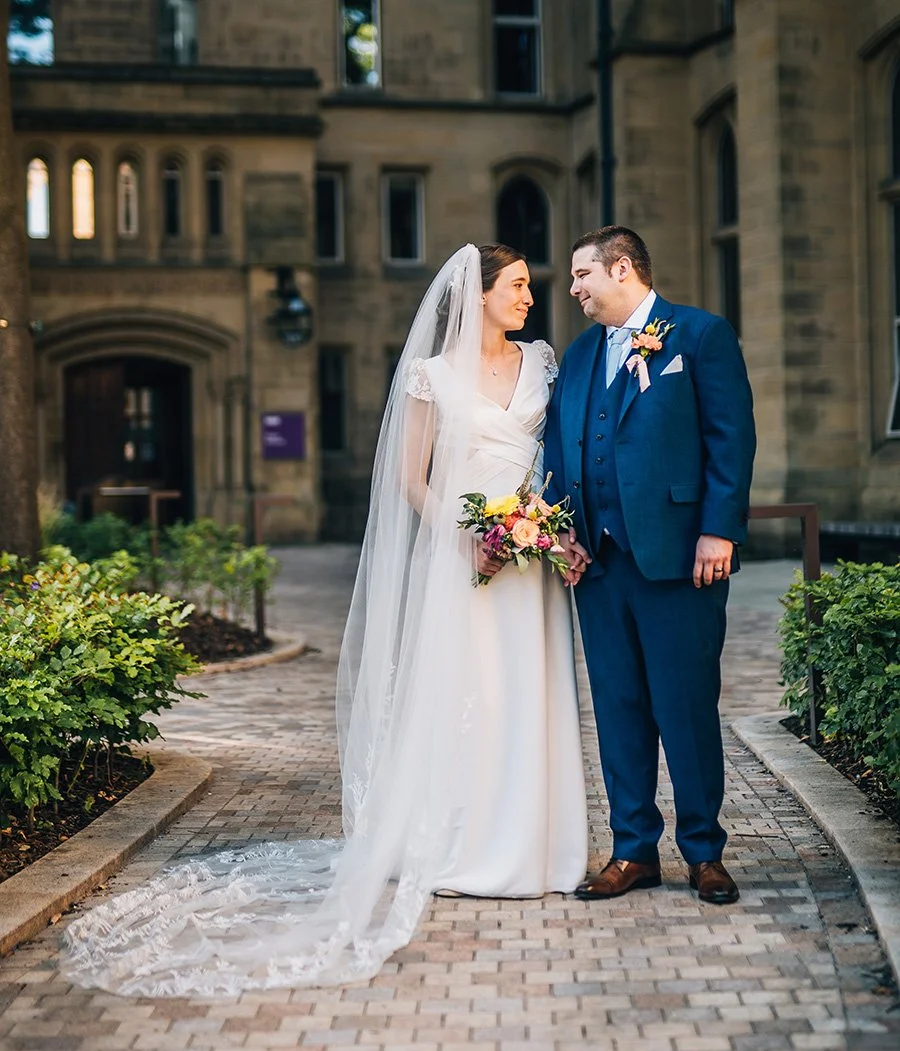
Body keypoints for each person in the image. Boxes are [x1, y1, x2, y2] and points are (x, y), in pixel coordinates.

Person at [59, 243, 587, 997]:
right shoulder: (431, 375)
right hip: (463, 562)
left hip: (530, 565)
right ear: (480, 295)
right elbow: (411, 478)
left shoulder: (545, 362)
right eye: (519, 286)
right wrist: (464, 537)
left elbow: (555, 461)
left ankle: (542, 849)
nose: (530, 297)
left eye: (531, 287)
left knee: (530, 697)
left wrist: (539, 525)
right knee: (473, 696)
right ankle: (467, 846)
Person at [544, 226, 756, 906]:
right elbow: (558, 453)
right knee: (618, 710)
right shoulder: (577, 358)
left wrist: (718, 530)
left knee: (685, 708)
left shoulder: (698, 336)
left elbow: (731, 437)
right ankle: (633, 849)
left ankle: (703, 852)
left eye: (583, 274)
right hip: (599, 567)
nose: (573, 287)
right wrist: (563, 533)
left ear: (623, 268)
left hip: (680, 560)